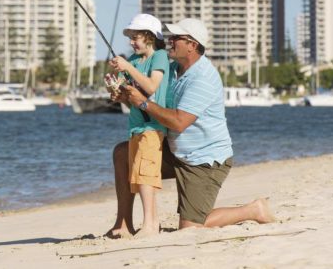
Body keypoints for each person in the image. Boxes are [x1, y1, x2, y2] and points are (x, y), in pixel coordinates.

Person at [111, 18, 275, 232]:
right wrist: (124, 95)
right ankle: (124, 224)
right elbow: (149, 96)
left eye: (176, 38)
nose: (170, 41)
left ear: (192, 45)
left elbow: (179, 122)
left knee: (191, 226)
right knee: (123, 153)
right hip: (176, 152)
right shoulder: (171, 69)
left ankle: (254, 210)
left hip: (204, 160)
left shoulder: (204, 78)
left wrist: (142, 102)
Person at [103, 14, 172, 239]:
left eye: (136, 37)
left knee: (145, 173)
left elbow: (151, 87)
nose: (132, 41)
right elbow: (128, 95)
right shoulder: (133, 60)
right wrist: (115, 91)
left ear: (151, 37)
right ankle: (127, 225)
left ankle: (151, 224)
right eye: (131, 37)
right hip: (136, 127)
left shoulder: (160, 56)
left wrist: (127, 67)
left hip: (154, 125)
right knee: (137, 174)